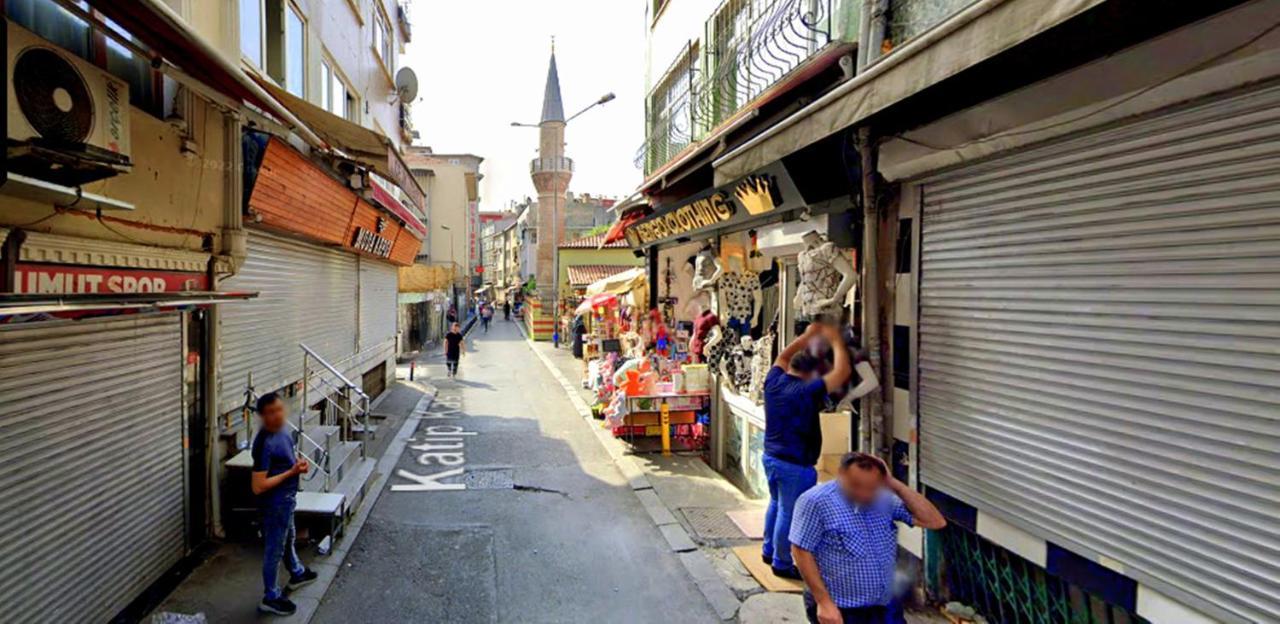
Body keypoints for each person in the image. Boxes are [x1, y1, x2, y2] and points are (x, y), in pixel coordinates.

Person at [790, 453, 947, 624]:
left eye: (871, 487)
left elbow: (934, 521)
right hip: (842, 608)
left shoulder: (884, 500)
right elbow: (801, 550)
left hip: (885, 605)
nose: (864, 494)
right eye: (856, 485)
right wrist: (824, 602)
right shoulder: (815, 501)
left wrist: (895, 485)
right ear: (841, 475)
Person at [761, 322, 851, 579]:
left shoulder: (774, 381)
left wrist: (805, 338)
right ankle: (781, 562)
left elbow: (782, 356)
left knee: (776, 504)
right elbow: (842, 371)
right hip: (794, 464)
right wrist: (835, 339)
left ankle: (768, 550)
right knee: (789, 511)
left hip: (771, 457)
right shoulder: (807, 390)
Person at [251, 393, 317, 616]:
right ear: (262, 416)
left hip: (287, 500)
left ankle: (297, 572)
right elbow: (258, 486)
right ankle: (271, 597)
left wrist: (298, 465)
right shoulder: (263, 443)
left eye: (280, 409)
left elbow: (288, 458)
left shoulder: (283, 431)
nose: (278, 415)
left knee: (289, 537)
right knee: (274, 549)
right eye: (271, 412)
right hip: (274, 504)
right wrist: (291, 472)